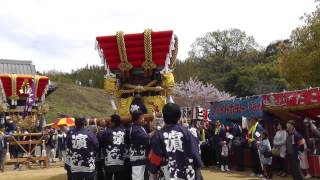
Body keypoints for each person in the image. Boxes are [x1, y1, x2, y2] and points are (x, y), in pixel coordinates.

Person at [148, 103, 203, 180]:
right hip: (187, 176)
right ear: (179, 116)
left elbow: (155, 159)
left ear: (163, 117)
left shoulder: (159, 135)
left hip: (167, 176)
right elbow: (195, 154)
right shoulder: (187, 133)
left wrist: (153, 172)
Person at [65, 115, 99, 180]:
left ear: (75, 123)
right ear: (84, 123)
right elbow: (96, 146)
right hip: (88, 164)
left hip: (76, 165)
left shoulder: (70, 134)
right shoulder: (90, 134)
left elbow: (68, 148)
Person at [100, 114, 126, 180]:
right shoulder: (124, 131)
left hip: (109, 160)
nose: (109, 123)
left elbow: (101, 144)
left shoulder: (106, 132)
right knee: (119, 177)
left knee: (108, 177)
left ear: (113, 123)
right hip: (120, 160)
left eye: (110, 122)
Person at [127, 110, 150, 180]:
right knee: (138, 177)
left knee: (143, 176)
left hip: (142, 157)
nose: (143, 119)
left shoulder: (140, 127)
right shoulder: (134, 130)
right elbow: (145, 139)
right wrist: (154, 132)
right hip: (137, 158)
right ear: (136, 120)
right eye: (141, 118)